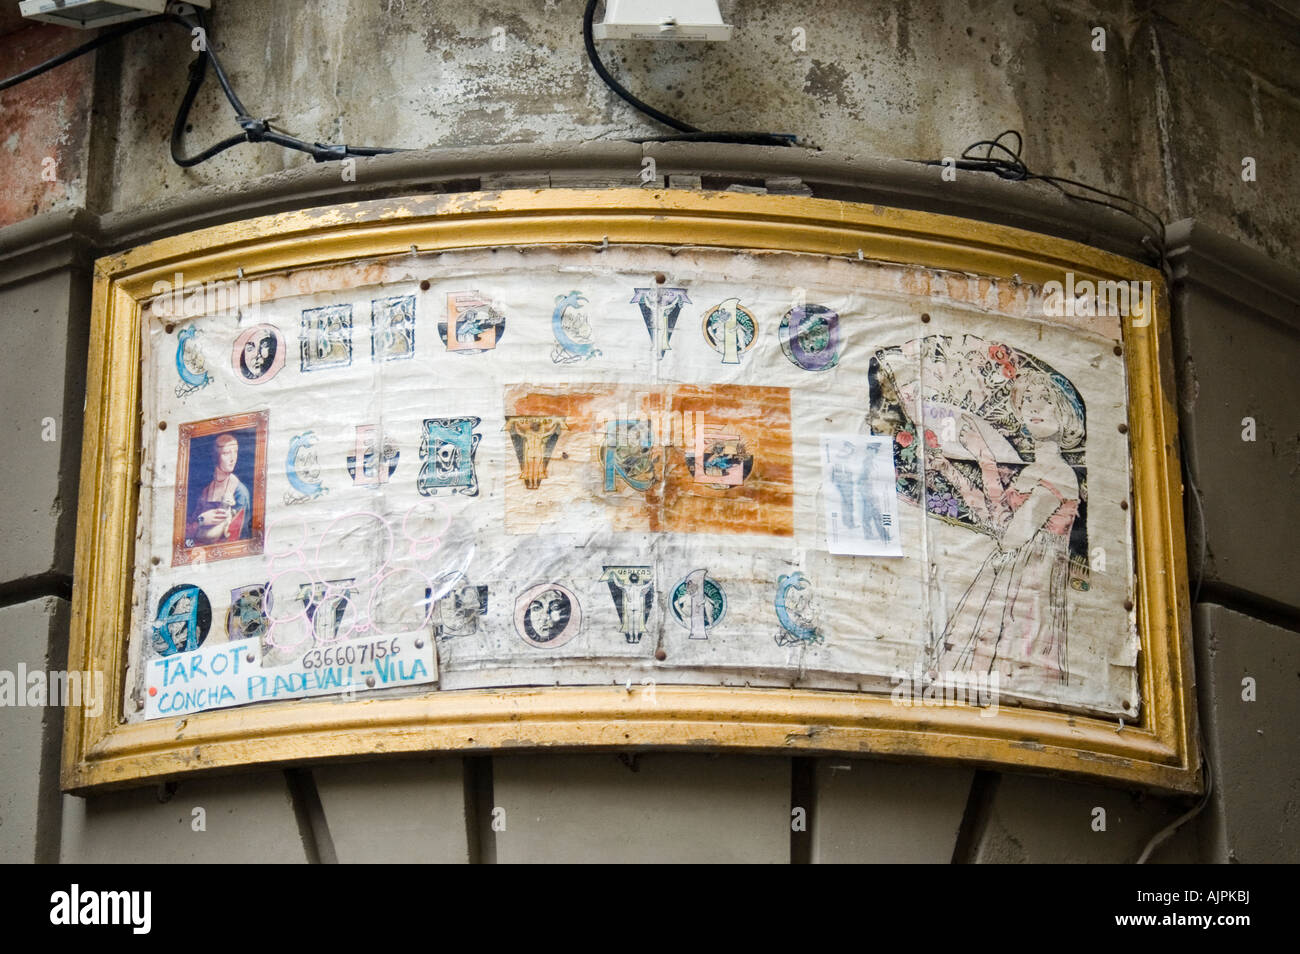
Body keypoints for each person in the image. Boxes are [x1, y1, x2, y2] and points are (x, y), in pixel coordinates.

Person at [929, 369, 1084, 686]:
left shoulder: (1060, 474)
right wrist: (953, 470)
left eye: (1046, 400)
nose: (1034, 407)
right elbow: (994, 514)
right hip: (1005, 579)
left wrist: (985, 459)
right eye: (1027, 400)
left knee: (1012, 664)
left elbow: (1012, 535)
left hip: (1029, 587)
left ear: (1065, 413)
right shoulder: (1032, 472)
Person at [186, 433, 252, 544]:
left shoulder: (239, 492)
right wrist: (201, 521)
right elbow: (189, 529)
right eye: (226, 453)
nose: (233, 459)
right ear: (216, 457)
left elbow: (237, 536)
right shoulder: (206, 491)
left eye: (235, 452)